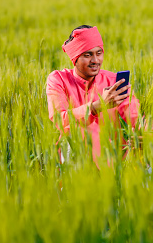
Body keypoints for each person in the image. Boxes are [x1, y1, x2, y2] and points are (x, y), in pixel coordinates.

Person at [46, 25, 140, 165]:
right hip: (75, 161)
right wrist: (98, 106)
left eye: (99, 53)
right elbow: (60, 119)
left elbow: (136, 117)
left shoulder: (114, 81)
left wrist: (143, 133)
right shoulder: (58, 79)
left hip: (114, 160)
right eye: (87, 55)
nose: (95, 60)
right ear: (75, 58)